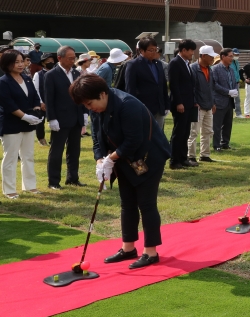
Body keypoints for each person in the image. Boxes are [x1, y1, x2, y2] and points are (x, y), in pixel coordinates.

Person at [70, 74, 170, 270]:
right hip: (124, 159)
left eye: (90, 103)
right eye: (86, 105)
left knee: (146, 203)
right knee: (127, 202)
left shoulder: (127, 105)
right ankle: (128, 248)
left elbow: (134, 140)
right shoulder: (96, 108)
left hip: (148, 157)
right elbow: (97, 138)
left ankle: (150, 252)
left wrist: (111, 158)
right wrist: (100, 160)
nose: (90, 108)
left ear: (102, 94)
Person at [0, 50, 43, 198]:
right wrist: (24, 116)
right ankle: (9, 189)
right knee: (10, 157)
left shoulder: (27, 78)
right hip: (11, 124)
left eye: (21, 61)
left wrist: (36, 111)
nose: (20, 65)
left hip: (28, 123)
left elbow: (35, 97)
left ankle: (30, 186)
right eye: (16, 62)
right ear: (7, 64)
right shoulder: (3, 82)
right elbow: (8, 104)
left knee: (28, 155)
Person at [44, 45, 86, 188]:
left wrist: (84, 113)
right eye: (69, 58)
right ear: (59, 58)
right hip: (60, 119)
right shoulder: (51, 75)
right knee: (57, 151)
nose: (72, 61)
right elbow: (49, 99)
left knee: (74, 150)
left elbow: (81, 95)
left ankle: (72, 178)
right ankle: (53, 181)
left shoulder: (76, 73)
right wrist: (52, 118)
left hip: (76, 117)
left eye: (74, 58)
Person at [124, 38, 169, 129]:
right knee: (145, 134)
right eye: (151, 50)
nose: (154, 52)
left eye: (155, 50)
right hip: (143, 107)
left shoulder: (159, 64)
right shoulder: (133, 65)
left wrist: (166, 105)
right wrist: (133, 107)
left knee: (158, 134)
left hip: (159, 108)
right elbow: (130, 88)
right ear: (141, 51)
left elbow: (163, 85)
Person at [168, 39, 197, 169]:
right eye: (191, 50)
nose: (192, 53)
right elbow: (174, 85)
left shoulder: (186, 63)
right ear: (184, 50)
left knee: (186, 132)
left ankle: (183, 158)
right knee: (179, 132)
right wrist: (179, 102)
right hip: (180, 104)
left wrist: (193, 101)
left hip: (188, 103)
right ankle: (174, 160)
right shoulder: (175, 63)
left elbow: (189, 85)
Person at [188, 46, 217, 163]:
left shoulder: (210, 69)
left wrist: (213, 102)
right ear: (203, 56)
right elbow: (191, 88)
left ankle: (204, 155)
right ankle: (191, 156)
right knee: (193, 132)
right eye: (211, 56)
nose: (213, 59)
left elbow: (212, 88)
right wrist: (195, 102)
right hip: (197, 106)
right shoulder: (193, 68)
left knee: (208, 131)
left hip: (208, 105)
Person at [211, 48, 238, 151]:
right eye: (230, 56)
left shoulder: (231, 69)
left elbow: (234, 82)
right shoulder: (215, 69)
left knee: (228, 124)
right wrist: (228, 91)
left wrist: (235, 90)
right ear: (223, 56)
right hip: (219, 101)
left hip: (229, 101)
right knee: (217, 125)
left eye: (232, 56)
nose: (232, 58)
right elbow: (214, 84)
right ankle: (216, 145)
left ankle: (225, 143)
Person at [32, 53, 56, 147]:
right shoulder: (38, 74)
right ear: (43, 63)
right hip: (42, 101)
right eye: (48, 61)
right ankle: (41, 138)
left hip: (54, 102)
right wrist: (41, 102)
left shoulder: (56, 73)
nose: (50, 62)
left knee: (55, 120)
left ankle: (53, 140)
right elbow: (36, 89)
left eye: (52, 61)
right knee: (40, 121)